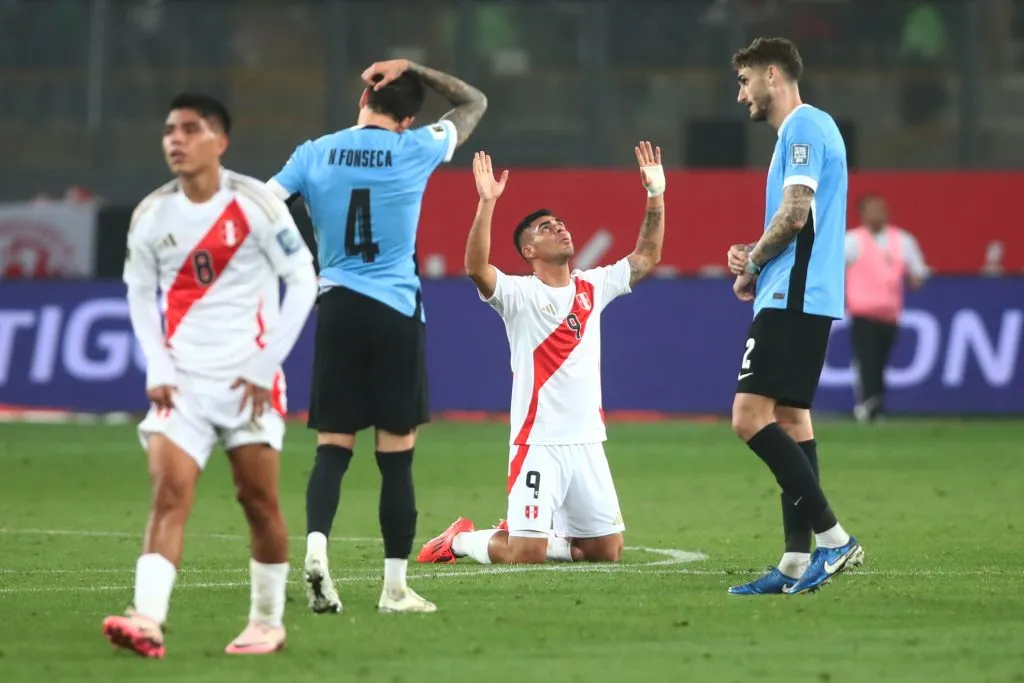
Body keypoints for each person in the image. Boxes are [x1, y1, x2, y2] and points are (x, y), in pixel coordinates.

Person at [266, 58, 487, 613]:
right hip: (394, 311)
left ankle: (317, 550)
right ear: (409, 118)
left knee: (332, 449)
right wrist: (412, 66)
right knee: (397, 457)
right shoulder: (416, 148)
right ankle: (393, 588)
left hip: (336, 305)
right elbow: (473, 103)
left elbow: (264, 206)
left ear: (363, 101)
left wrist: (304, 258)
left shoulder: (314, 152)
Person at [103, 93, 318, 657]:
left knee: (258, 501)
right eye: (170, 130)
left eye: (190, 129)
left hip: (249, 381)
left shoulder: (254, 204)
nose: (175, 139)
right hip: (183, 385)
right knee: (169, 493)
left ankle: (267, 622)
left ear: (219, 141)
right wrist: (156, 360)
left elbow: (302, 281)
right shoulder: (152, 213)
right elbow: (135, 292)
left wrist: (264, 363)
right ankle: (147, 618)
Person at [416, 143, 666, 566]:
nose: (560, 229)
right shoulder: (519, 294)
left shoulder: (593, 286)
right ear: (528, 251)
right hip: (538, 441)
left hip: (587, 440)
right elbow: (477, 267)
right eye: (546, 227)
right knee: (525, 555)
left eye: (561, 224)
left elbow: (646, 256)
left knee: (605, 553)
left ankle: (531, 527)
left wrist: (655, 191)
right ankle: (459, 541)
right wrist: (487, 203)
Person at [725, 38, 864, 595]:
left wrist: (753, 262)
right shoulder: (801, 132)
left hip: (794, 294)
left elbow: (796, 211)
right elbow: (791, 220)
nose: (741, 95)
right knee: (791, 419)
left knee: (747, 416)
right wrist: (754, 257)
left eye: (744, 81)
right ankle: (792, 561)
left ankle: (834, 539)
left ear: (772, 75)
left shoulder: (804, 126)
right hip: (800, 292)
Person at [845, 194, 929, 423]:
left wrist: (915, 280)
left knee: (880, 361)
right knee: (867, 360)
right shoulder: (852, 241)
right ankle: (868, 405)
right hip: (863, 312)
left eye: (881, 209)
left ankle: (875, 404)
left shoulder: (902, 240)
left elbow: (917, 273)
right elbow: (832, 267)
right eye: (872, 209)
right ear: (862, 214)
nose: (878, 214)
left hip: (890, 314)